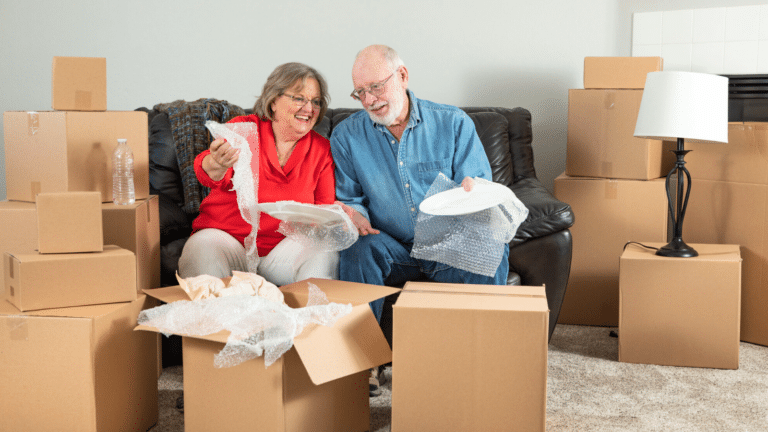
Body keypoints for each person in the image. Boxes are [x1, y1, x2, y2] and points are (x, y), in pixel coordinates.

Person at [330, 45, 510, 323]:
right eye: (360, 92)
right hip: (393, 249)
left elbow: (480, 188)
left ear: (402, 76)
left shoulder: (453, 123)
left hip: (450, 247)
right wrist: (355, 216)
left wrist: (473, 192)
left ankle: (483, 353)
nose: (368, 100)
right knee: (358, 247)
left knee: (490, 239)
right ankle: (359, 360)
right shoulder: (346, 136)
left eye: (376, 87)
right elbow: (350, 199)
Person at [178, 62, 338, 286]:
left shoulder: (321, 150)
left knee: (323, 252)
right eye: (299, 98)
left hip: (282, 254)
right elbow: (209, 172)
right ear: (273, 101)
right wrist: (216, 162)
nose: (308, 108)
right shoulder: (244, 130)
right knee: (201, 247)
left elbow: (323, 210)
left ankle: (310, 319)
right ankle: (222, 318)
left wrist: (342, 215)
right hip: (228, 243)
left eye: (316, 102)